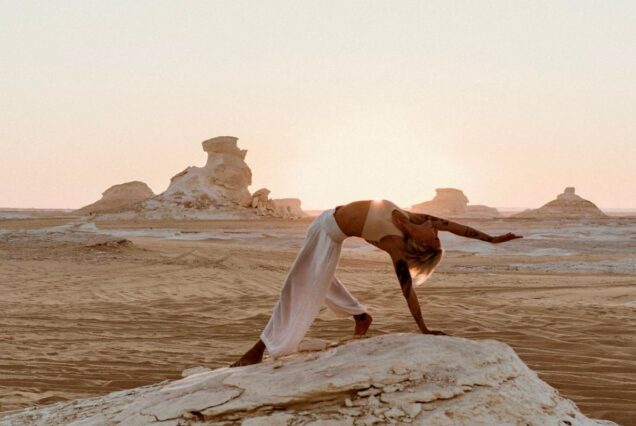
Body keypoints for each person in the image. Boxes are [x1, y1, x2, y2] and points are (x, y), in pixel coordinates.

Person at [231, 199, 521, 367]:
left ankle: (259, 349)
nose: (437, 230)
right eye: (437, 233)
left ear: (419, 245)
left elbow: (407, 291)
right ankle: (360, 315)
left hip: (328, 233)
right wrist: (493, 240)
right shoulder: (417, 219)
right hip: (322, 220)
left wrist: (423, 328)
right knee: (318, 278)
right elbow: (459, 228)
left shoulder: (393, 242)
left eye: (435, 238)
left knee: (297, 285)